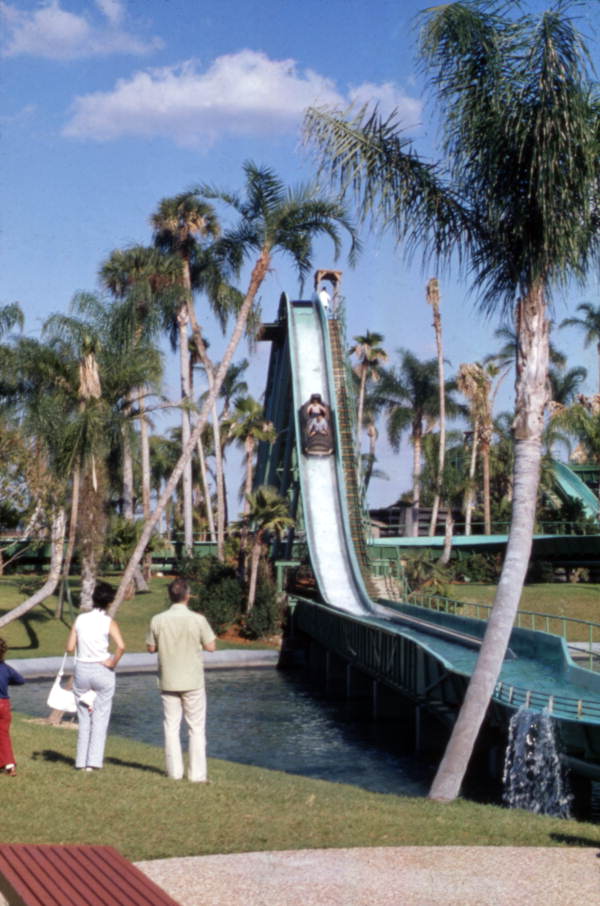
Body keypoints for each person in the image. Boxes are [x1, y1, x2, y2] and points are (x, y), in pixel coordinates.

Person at [146, 577, 216, 782]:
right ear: (187, 596)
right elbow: (211, 646)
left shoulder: (157, 619)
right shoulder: (198, 619)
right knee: (196, 728)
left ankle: (174, 772)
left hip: (169, 679)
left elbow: (151, 648)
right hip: (192, 680)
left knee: (171, 726)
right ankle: (197, 775)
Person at [66, 581, 125, 771]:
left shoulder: (80, 619)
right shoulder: (108, 622)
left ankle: (80, 762)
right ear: (109, 602)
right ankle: (93, 762)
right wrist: (112, 662)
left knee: (84, 717)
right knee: (100, 716)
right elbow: (121, 647)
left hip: (82, 670)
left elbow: (69, 647)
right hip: (102, 670)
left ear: (93, 599)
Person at [0, 638, 25, 777]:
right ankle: (10, 766)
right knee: (3, 735)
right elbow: (21, 680)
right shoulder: (6, 668)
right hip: (4, 704)